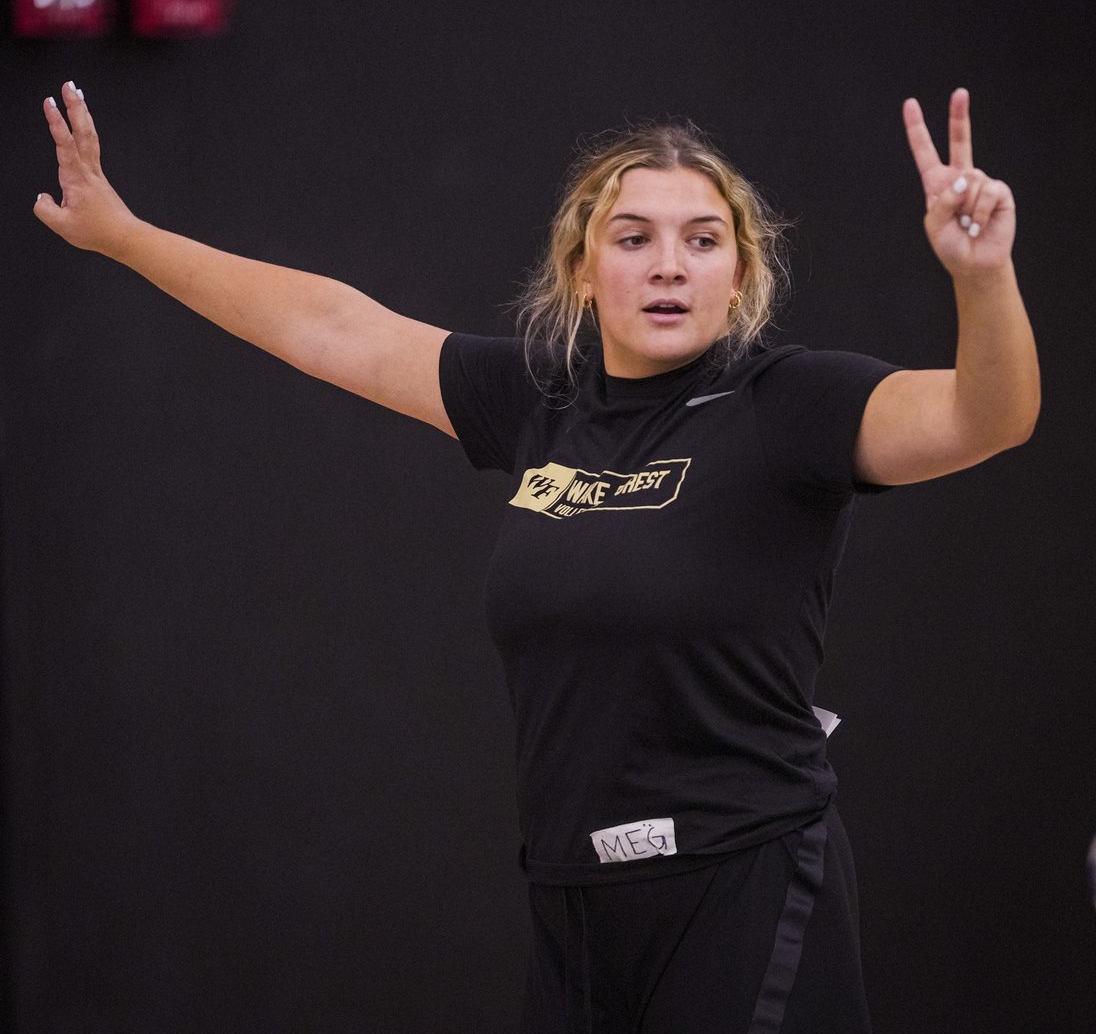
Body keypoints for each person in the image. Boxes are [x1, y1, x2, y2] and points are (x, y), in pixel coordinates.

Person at [34, 82, 1039, 1033]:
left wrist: (982, 278)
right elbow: (331, 328)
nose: (669, 265)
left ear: (739, 275)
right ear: (580, 268)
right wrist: (124, 237)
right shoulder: (542, 401)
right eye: (633, 238)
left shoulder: (791, 406)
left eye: (703, 241)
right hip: (575, 901)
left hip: (744, 880)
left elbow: (985, 418)